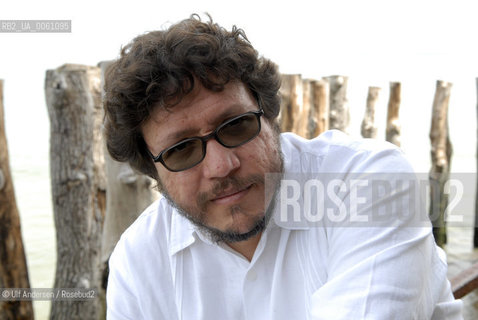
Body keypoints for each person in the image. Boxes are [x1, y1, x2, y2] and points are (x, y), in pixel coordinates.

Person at [103, 14, 463, 319]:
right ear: (153, 172)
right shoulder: (138, 263)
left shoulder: (368, 182)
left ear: (271, 117)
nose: (221, 166)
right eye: (181, 150)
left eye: (236, 125)